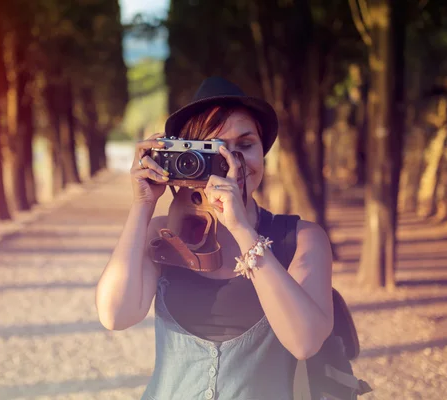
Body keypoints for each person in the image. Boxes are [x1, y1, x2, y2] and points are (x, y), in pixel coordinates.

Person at [95, 77, 334, 400]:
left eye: (245, 145)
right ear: (188, 158)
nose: (232, 161)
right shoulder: (163, 236)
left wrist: (242, 230)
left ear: (263, 151)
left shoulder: (302, 239)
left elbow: (304, 342)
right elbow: (115, 314)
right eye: (214, 149)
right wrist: (142, 207)